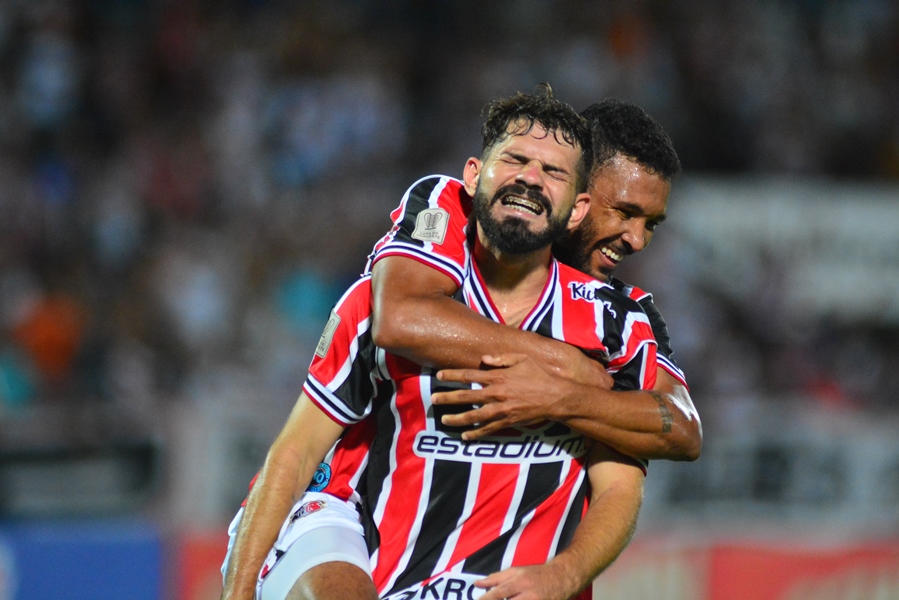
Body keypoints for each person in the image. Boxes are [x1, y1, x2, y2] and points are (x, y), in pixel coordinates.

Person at [221, 87, 657, 600]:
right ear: (473, 176)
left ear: (578, 208)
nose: (530, 178)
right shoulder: (376, 302)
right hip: (356, 546)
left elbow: (621, 486)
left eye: (554, 172)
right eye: (515, 159)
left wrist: (563, 573)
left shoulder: (613, 327)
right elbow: (294, 453)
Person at [368, 99, 701, 464]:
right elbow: (400, 316)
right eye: (625, 213)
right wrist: (564, 363)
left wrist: (563, 397)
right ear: (577, 192)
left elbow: (683, 430)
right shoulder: (458, 207)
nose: (636, 240)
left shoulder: (623, 313)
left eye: (651, 224)